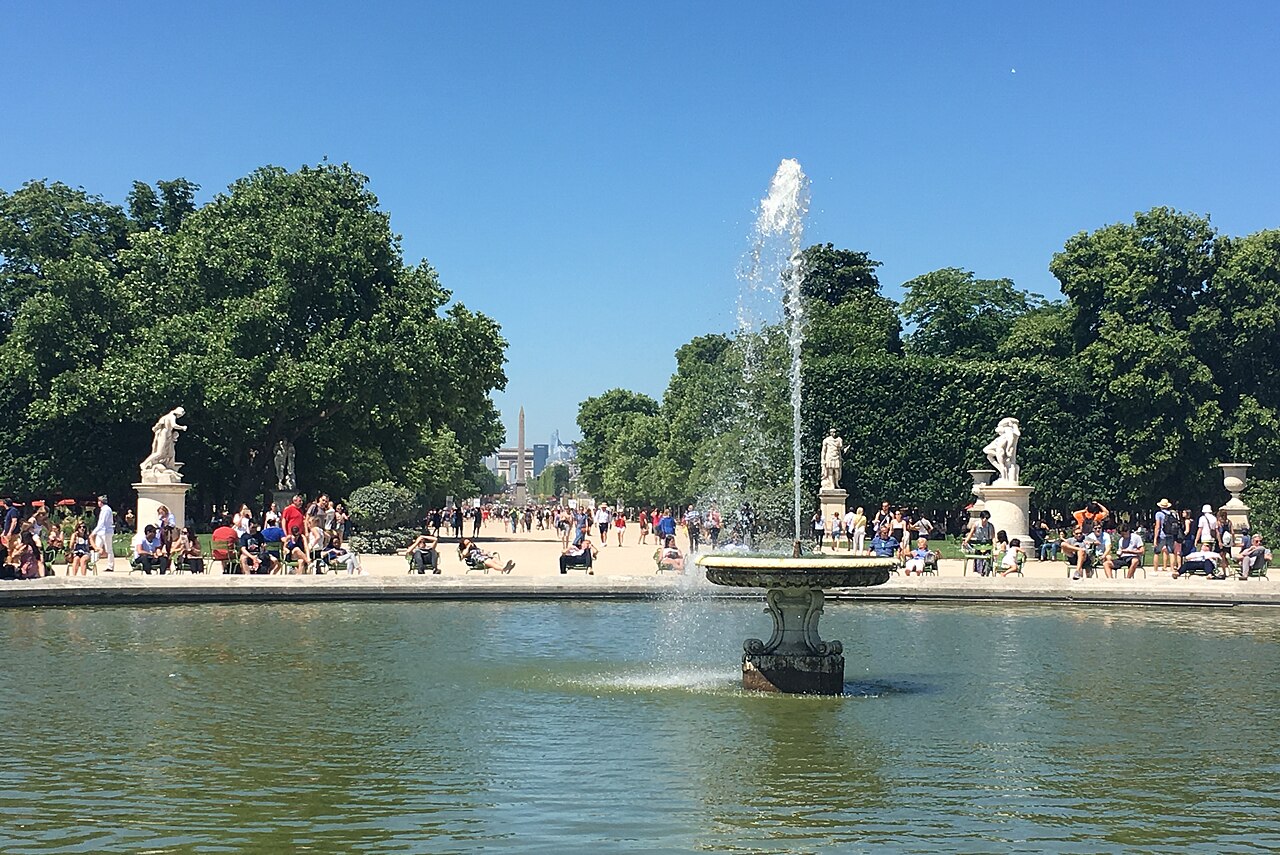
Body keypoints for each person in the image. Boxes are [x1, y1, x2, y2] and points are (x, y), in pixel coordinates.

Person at [963, 510, 996, 576]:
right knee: (979, 560)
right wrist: (966, 541)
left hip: (987, 544)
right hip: (978, 544)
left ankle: (986, 570)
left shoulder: (990, 526)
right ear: (981, 518)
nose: (985, 520)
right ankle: (980, 571)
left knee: (987, 559)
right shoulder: (976, 525)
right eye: (984, 518)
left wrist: (994, 545)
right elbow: (971, 534)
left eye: (987, 518)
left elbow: (993, 536)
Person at [1153, 499, 1179, 574]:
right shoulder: (1172, 513)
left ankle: (1155, 570)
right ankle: (1172, 570)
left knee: (1157, 552)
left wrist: (1155, 538)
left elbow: (1158, 526)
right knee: (1171, 552)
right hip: (1170, 535)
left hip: (1162, 535)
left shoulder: (1159, 514)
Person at [91, 495, 115, 572]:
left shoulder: (106, 510)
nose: (98, 503)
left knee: (109, 549)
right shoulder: (103, 509)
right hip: (101, 532)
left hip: (106, 532)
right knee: (97, 547)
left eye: (99, 501)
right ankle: (92, 563)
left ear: (101, 502)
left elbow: (102, 523)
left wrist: (94, 532)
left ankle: (110, 566)